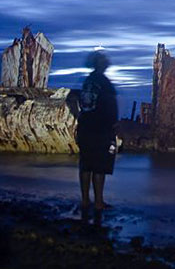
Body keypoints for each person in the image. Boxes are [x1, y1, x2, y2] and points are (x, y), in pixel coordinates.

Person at [76, 50, 118, 224]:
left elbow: (78, 102)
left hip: (85, 128)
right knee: (100, 166)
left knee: (86, 165)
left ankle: (86, 200)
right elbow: (110, 108)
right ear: (101, 64)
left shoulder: (88, 81)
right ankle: (99, 202)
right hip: (101, 130)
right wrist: (114, 128)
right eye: (104, 62)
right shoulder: (104, 83)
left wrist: (79, 121)